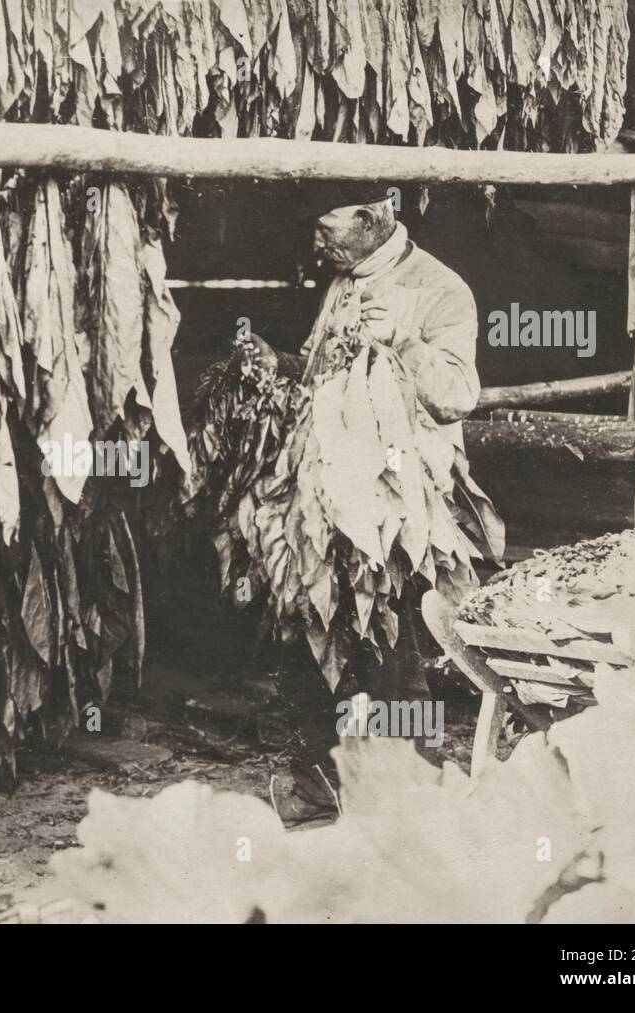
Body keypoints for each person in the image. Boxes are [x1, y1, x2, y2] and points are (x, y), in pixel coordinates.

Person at [244, 184, 484, 814]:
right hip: (331, 493)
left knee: (393, 643)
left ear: (374, 216)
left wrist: (405, 341)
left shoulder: (441, 289)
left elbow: (458, 395)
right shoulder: (341, 283)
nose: (316, 242)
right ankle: (322, 787)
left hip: (401, 502)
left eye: (327, 227)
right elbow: (326, 374)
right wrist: (279, 365)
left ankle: (416, 797)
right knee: (318, 630)